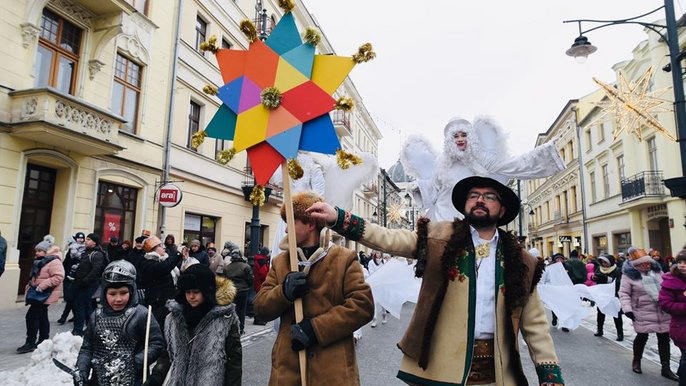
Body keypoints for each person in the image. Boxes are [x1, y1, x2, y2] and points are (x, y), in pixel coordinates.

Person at [307, 176, 564, 386]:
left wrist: (549, 373)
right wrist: (340, 218)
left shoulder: (521, 261)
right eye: (473, 195)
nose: (480, 200)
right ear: (465, 204)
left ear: (503, 209)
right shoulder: (439, 237)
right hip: (442, 368)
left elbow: (535, 323)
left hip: (496, 373)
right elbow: (391, 239)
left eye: (489, 196)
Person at [254, 191, 374, 385]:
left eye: (291, 223)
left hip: (332, 372)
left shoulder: (344, 259)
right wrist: (283, 292)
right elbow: (260, 308)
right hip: (287, 373)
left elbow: (363, 306)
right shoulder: (280, 262)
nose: (285, 231)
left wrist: (316, 329)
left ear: (310, 224)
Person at [401, 117, 564, 221]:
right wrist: (419, 188)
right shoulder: (442, 163)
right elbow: (433, 189)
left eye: (463, 135)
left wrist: (546, 152)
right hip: (442, 219)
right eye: (455, 136)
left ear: (470, 137)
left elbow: (513, 164)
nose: (459, 139)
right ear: (449, 140)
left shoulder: (481, 159)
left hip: (471, 218)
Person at [76, 260, 164, 385]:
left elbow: (156, 343)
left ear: (131, 291)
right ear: (104, 293)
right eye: (112, 294)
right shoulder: (96, 316)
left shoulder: (142, 314)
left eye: (123, 293)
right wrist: (82, 369)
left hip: (133, 379)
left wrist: (135, 361)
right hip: (99, 379)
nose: (118, 299)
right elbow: (87, 348)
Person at [164, 263, 242, 386]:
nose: (191, 296)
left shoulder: (225, 318)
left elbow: (234, 359)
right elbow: (167, 354)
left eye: (196, 291)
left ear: (207, 291)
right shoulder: (174, 318)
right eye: (187, 292)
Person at [619, 247, 678, 380]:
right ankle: (636, 361)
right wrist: (627, 309)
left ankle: (666, 368)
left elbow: (667, 287)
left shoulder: (657, 271)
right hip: (641, 310)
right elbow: (624, 293)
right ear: (636, 264)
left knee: (664, 338)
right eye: (642, 263)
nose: (646, 265)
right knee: (642, 336)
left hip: (662, 310)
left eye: (648, 263)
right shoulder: (629, 275)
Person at [17, 236, 64, 353]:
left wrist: (42, 285)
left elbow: (58, 277)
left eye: (39, 251)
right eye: (36, 251)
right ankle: (43, 340)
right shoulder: (41, 261)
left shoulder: (54, 261)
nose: (36, 253)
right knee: (42, 316)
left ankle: (30, 342)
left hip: (45, 293)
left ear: (46, 251)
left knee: (31, 317)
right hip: (38, 293)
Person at [139, 235, 182, 328]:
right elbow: (164, 268)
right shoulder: (147, 263)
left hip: (169, 301)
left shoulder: (164, 260)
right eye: (160, 245)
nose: (164, 247)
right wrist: (178, 254)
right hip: (157, 302)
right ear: (153, 249)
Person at [72, 233, 107, 336]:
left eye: (88, 239)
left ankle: (78, 330)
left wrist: (85, 281)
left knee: (79, 305)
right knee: (87, 306)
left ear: (94, 242)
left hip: (89, 285)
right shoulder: (87, 252)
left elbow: (96, 270)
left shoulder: (97, 254)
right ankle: (91, 328)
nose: (85, 241)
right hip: (81, 284)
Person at [659, 249, 686, 384]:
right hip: (682, 328)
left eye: (685, 262)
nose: (682, 265)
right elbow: (665, 303)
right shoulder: (671, 281)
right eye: (679, 262)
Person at [591, 254, 624, 341]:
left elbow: (618, 283)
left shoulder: (617, 270)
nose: (604, 264)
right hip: (602, 294)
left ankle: (620, 333)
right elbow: (595, 277)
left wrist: (606, 279)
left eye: (606, 262)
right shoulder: (599, 269)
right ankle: (600, 329)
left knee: (616, 314)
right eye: (603, 262)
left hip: (613, 294)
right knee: (600, 312)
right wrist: (593, 277)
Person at [222, 245, 253, 334]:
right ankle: (240, 328)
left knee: (232, 310)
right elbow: (250, 279)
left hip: (232, 290)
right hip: (243, 290)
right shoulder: (245, 266)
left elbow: (225, 280)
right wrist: (248, 286)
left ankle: (231, 328)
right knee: (241, 310)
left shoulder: (227, 268)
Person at [57, 231, 86, 324]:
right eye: (79, 238)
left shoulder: (85, 251)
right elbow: (66, 262)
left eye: (82, 238)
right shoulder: (71, 249)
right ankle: (74, 315)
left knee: (71, 298)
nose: (80, 240)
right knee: (69, 298)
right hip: (68, 275)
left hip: (77, 277)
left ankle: (64, 317)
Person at [367, 253, 388, 328]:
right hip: (374, 284)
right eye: (377, 252)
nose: (379, 254)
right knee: (374, 302)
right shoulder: (371, 262)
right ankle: (374, 320)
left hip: (383, 284)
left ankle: (384, 315)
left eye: (380, 252)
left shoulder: (384, 262)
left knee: (383, 302)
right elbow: (371, 273)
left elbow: (386, 272)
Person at [252, 247, 270, 326]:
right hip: (261, 284)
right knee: (260, 302)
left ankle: (258, 318)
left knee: (258, 301)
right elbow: (263, 274)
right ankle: (258, 319)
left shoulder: (257, 259)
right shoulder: (262, 261)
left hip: (257, 283)